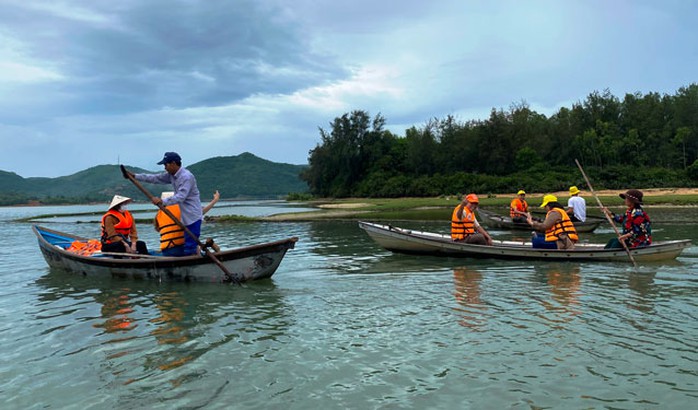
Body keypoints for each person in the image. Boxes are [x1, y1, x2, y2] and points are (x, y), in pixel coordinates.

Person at [128, 152, 203, 256]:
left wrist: (163, 201)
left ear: (173, 163)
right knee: (188, 246)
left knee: (190, 247)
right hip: (185, 217)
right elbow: (155, 178)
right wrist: (135, 176)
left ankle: (191, 267)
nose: (165, 168)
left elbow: (181, 196)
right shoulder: (172, 176)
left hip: (193, 216)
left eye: (166, 165)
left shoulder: (186, 177)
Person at [154, 190, 221, 256]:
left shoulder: (159, 214)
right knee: (195, 244)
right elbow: (200, 213)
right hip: (181, 249)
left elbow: (158, 229)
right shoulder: (182, 208)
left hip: (166, 251)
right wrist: (215, 200)